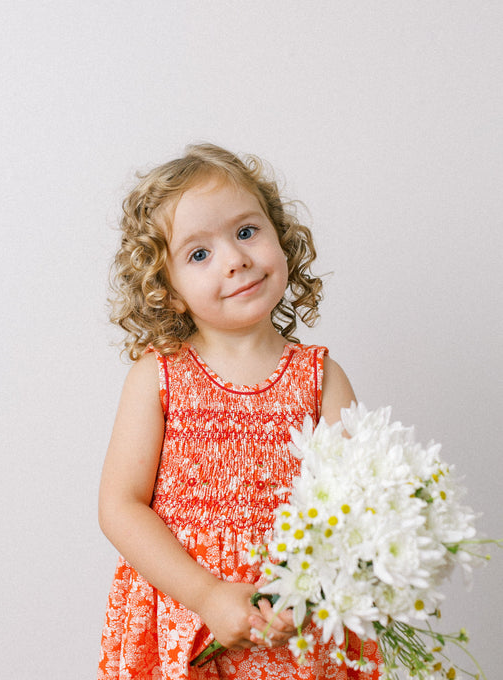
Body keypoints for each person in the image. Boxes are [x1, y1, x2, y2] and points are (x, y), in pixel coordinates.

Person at [97, 144, 380, 679]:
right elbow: (120, 506)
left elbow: (355, 508)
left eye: (246, 232)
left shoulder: (321, 380)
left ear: (281, 237)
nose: (234, 258)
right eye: (198, 254)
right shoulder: (159, 379)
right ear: (169, 291)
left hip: (295, 628)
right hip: (187, 618)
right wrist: (206, 595)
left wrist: (309, 589)